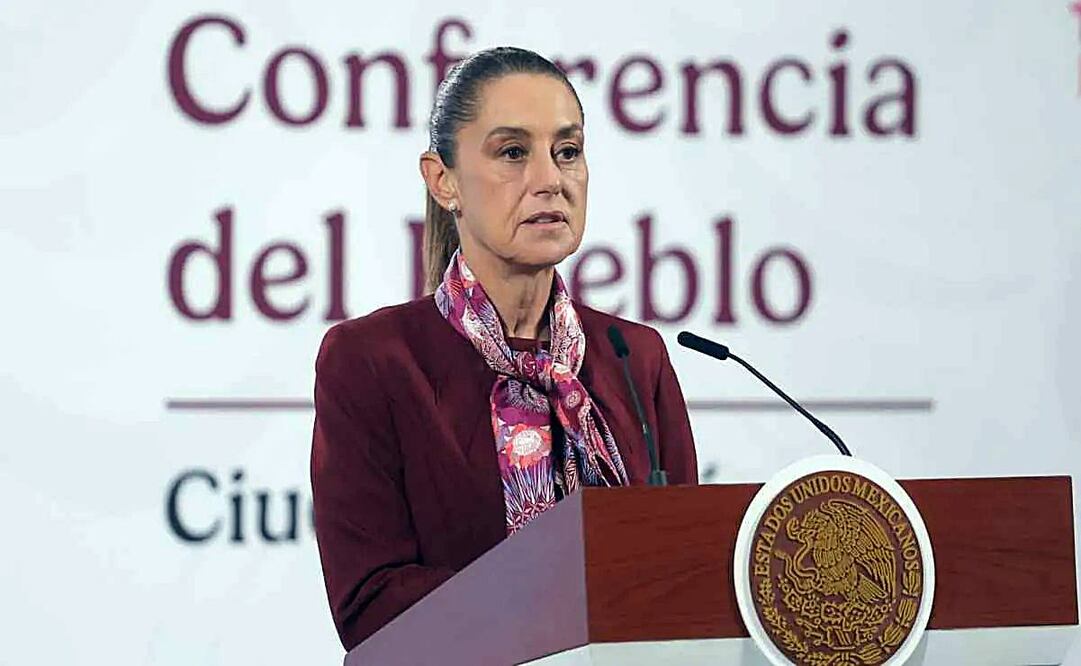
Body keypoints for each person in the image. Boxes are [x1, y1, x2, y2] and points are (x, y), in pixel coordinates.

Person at [310, 46, 698, 652]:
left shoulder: (633, 356)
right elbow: (370, 606)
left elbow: (685, 579)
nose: (549, 180)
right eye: (513, 153)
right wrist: (563, 602)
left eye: (566, 152)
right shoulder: (373, 360)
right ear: (443, 181)